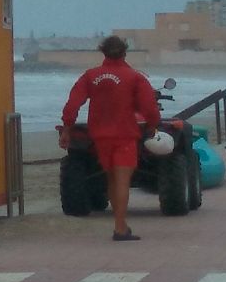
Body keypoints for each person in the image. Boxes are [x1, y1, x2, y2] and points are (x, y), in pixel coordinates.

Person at [60, 35, 161, 240]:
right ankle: (120, 227)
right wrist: (152, 125)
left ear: (103, 52)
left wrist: (67, 127)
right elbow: (149, 107)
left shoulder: (90, 76)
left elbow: (72, 104)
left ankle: (120, 225)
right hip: (124, 134)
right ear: (124, 53)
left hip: (100, 136)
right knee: (122, 180)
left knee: (112, 179)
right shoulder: (134, 77)